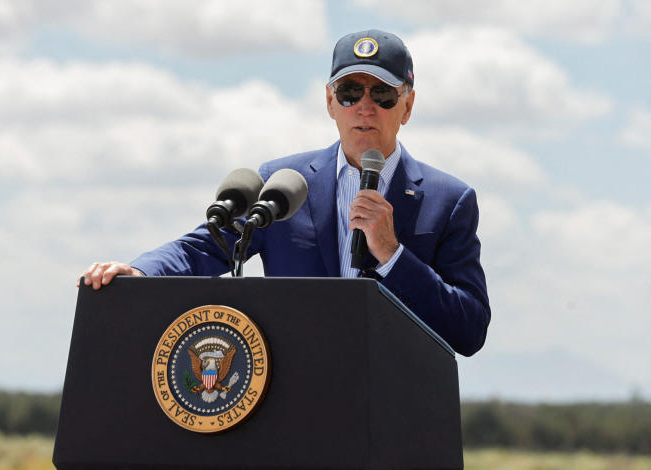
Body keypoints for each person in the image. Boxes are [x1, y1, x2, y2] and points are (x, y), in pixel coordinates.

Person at [80, 30, 490, 356]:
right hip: (296, 407)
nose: (365, 108)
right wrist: (139, 273)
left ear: (408, 105)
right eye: (350, 93)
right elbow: (208, 246)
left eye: (382, 95)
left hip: (395, 416)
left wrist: (393, 254)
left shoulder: (448, 201)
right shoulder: (284, 182)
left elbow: (468, 331)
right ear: (330, 102)